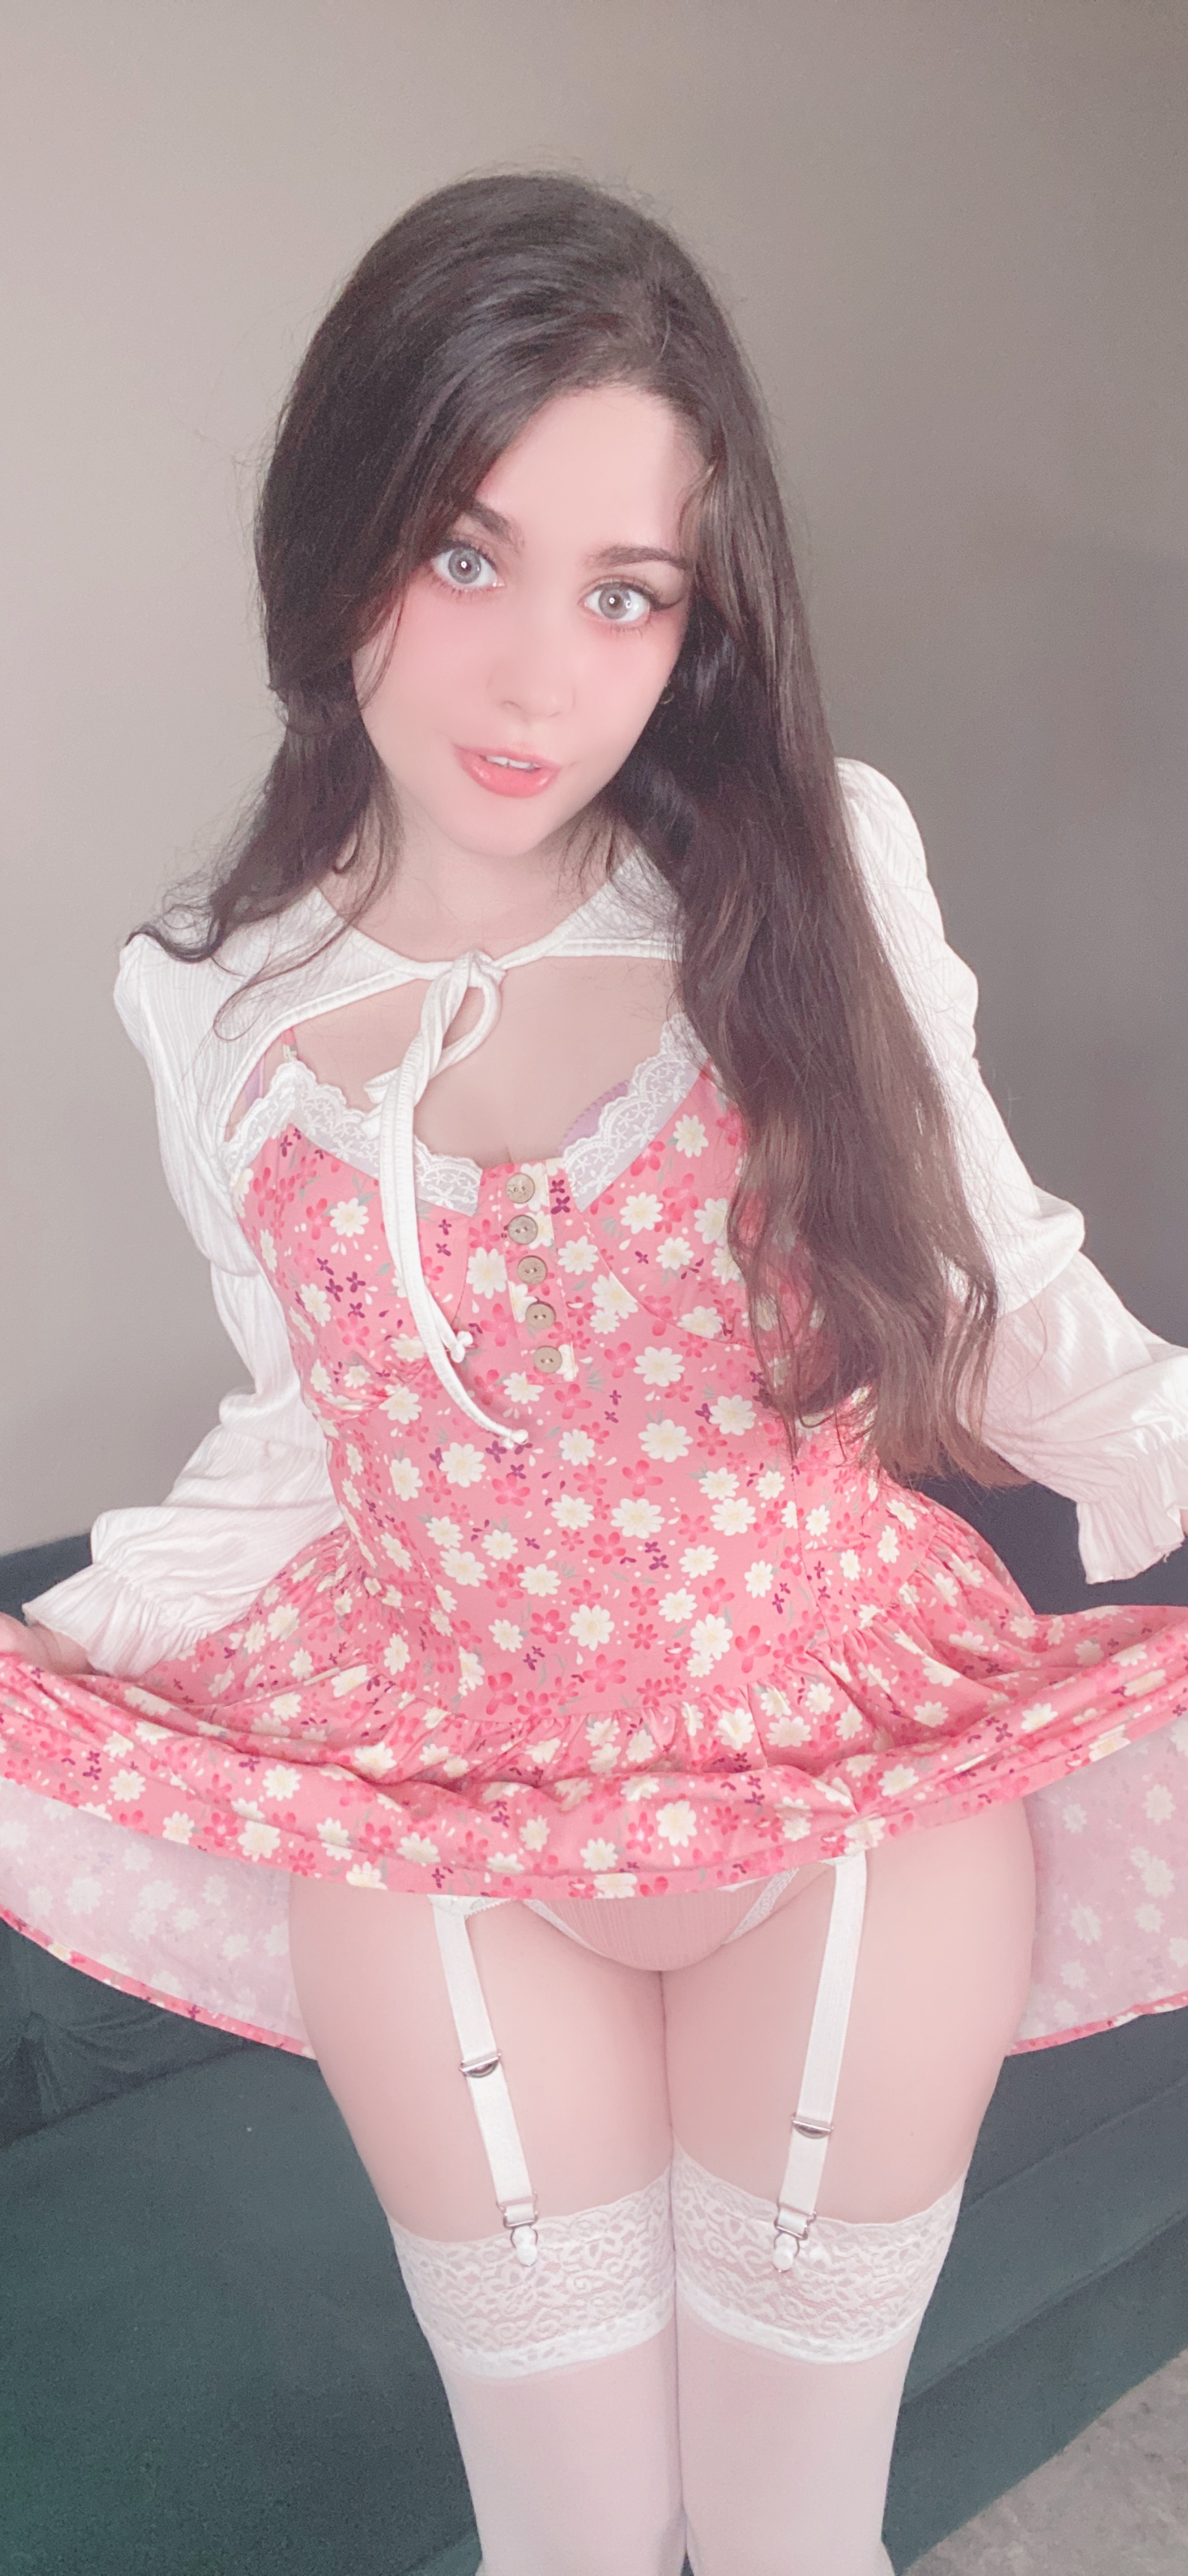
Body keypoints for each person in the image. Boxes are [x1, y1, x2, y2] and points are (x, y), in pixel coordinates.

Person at [2, 172, 1187, 2576]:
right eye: (469, 553)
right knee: (558, 2546)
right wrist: (77, 1655)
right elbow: (305, 1427)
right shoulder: (210, 999)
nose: (540, 680)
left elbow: (1013, 1298)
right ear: (338, 528)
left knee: (782, 2542)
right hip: (439, 1821)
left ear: (694, 617)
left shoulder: (812, 865)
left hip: (838, 1788)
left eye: (625, 590)